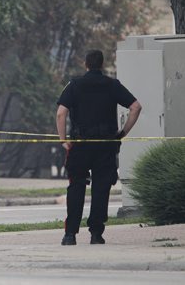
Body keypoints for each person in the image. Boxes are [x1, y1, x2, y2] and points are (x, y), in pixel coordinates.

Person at [56, 50, 141, 245]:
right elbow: (136, 107)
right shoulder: (112, 85)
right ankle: (96, 234)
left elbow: (61, 114)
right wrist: (123, 132)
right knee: (101, 189)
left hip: (80, 145)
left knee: (76, 186)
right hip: (106, 146)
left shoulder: (74, 85)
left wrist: (63, 140)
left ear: (86, 64)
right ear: (101, 65)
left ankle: (70, 235)